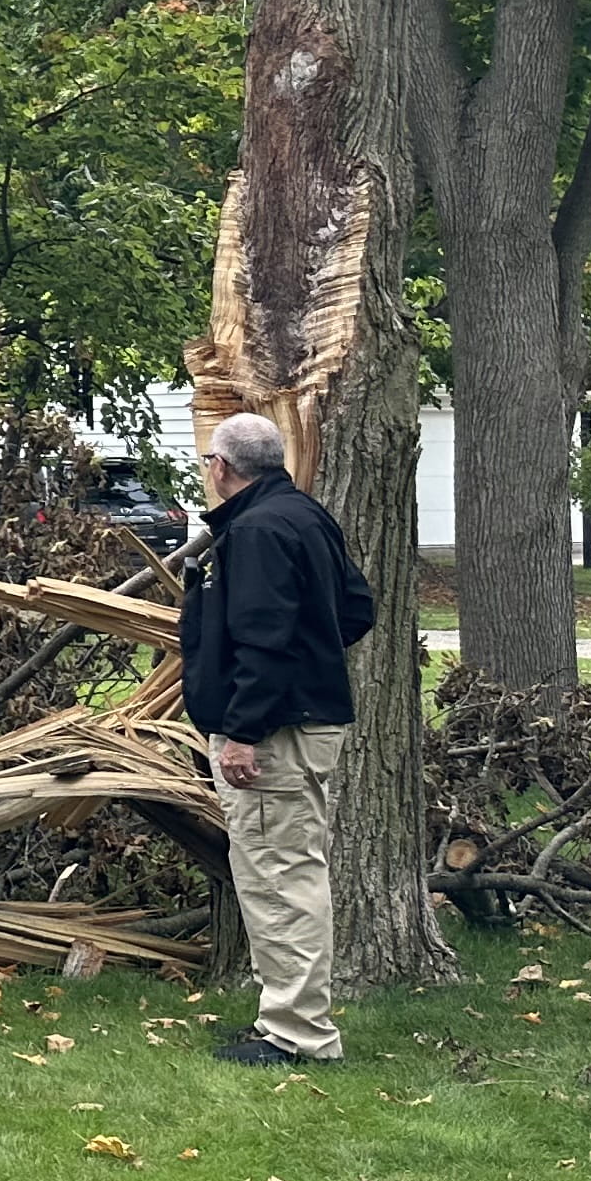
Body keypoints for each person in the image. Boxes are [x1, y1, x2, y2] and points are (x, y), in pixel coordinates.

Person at [180, 410, 378, 1066]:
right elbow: (356, 609)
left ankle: (298, 1033)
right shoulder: (304, 515)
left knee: (279, 877)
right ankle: (287, 1019)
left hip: (272, 735)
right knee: (285, 870)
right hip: (299, 722)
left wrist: (243, 731)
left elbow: (263, 642)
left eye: (208, 461)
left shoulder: (258, 530)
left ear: (222, 468)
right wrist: (312, 656)